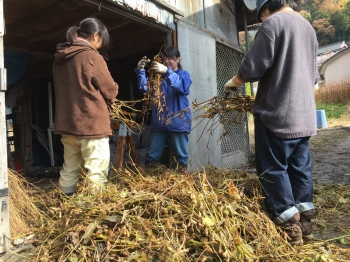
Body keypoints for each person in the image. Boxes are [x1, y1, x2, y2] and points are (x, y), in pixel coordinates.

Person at [224, 0, 319, 245]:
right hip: (304, 115)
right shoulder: (308, 27)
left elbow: (253, 67)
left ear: (266, 7)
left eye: (260, 15)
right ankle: (306, 221)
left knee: (273, 168)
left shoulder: (273, 24)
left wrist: (233, 82)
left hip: (277, 114)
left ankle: (289, 225)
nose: (261, 19)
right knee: (299, 168)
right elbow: (314, 75)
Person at [52, 18, 119, 196]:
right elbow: (110, 90)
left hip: (68, 125)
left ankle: (66, 205)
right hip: (91, 125)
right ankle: (91, 211)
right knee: (96, 171)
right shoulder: (91, 57)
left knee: (70, 168)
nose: (100, 45)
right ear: (95, 35)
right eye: (102, 40)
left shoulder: (60, 58)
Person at [134, 46, 192, 172]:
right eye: (164, 59)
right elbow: (145, 88)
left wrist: (167, 72)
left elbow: (182, 86)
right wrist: (140, 70)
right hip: (160, 122)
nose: (167, 62)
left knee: (181, 154)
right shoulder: (158, 78)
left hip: (178, 121)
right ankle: (149, 176)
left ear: (178, 59)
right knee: (152, 153)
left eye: (170, 58)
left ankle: (183, 177)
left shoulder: (183, 75)